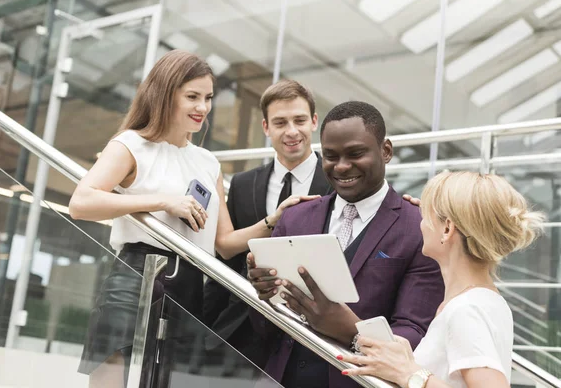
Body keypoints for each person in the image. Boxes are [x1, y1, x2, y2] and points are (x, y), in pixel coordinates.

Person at [69, 50, 316, 387]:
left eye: (209, 98)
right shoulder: (131, 145)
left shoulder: (207, 162)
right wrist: (164, 202)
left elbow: (225, 245)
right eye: (193, 97)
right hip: (134, 279)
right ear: (166, 94)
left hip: (189, 291)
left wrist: (273, 219)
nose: (203, 107)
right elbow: (81, 202)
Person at [246, 101, 445, 388]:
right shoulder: (295, 218)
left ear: (385, 151)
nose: (341, 166)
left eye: (355, 154)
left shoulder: (418, 227)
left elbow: (414, 329)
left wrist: (352, 333)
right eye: (330, 156)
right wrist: (262, 293)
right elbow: (265, 325)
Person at [339, 171, 545, 388]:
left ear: (447, 229)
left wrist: (411, 374)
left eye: (426, 216)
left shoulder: (466, 310)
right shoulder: (478, 302)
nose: (420, 224)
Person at [203, 79, 333, 368]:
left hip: (308, 329)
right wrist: (206, 324)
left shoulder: (336, 181)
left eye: (299, 120)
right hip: (241, 328)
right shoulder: (243, 183)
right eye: (280, 122)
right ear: (265, 127)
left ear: (313, 122)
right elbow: (226, 260)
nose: (291, 131)